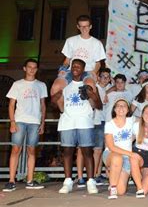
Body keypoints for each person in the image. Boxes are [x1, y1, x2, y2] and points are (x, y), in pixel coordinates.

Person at [51, 59, 102, 194]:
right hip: (67, 121)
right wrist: (55, 97)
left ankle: (90, 181)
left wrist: (92, 94)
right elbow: (53, 105)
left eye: (78, 66)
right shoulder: (64, 85)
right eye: (73, 66)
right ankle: (67, 181)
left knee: (87, 152)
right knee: (67, 152)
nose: (75, 68)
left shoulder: (88, 85)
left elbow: (99, 105)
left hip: (84, 122)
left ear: (83, 69)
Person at [3, 59, 47, 192]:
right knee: (16, 149)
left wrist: (42, 123)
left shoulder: (41, 85)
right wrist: (12, 122)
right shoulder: (17, 84)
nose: (32, 69)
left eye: (34, 67)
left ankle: (30, 180)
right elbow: (11, 104)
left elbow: (43, 105)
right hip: (20, 120)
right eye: (29, 67)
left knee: (31, 151)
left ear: (37, 69)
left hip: (34, 121)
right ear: (24, 68)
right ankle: (11, 180)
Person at [50, 15, 106, 112]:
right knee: (55, 87)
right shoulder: (70, 41)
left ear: (91, 26)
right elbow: (67, 60)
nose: (84, 29)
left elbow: (98, 63)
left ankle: (89, 111)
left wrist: (94, 72)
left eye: (86, 26)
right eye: (82, 26)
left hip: (87, 71)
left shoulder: (97, 43)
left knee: (90, 87)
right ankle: (63, 111)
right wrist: (62, 70)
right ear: (78, 27)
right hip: (72, 71)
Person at [102, 98, 134, 199]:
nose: (121, 107)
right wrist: (130, 154)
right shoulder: (109, 124)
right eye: (118, 105)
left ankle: (114, 174)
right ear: (114, 109)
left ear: (128, 110)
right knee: (117, 158)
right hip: (111, 154)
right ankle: (113, 187)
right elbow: (111, 146)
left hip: (126, 157)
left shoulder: (132, 120)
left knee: (121, 191)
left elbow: (147, 121)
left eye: (124, 105)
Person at [92, 67, 112, 185]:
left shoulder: (110, 88)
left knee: (106, 149)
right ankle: (95, 175)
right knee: (97, 149)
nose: (105, 79)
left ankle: (100, 174)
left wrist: (108, 91)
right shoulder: (94, 87)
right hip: (97, 121)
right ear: (98, 77)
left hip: (108, 122)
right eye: (103, 76)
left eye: (107, 77)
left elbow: (117, 85)